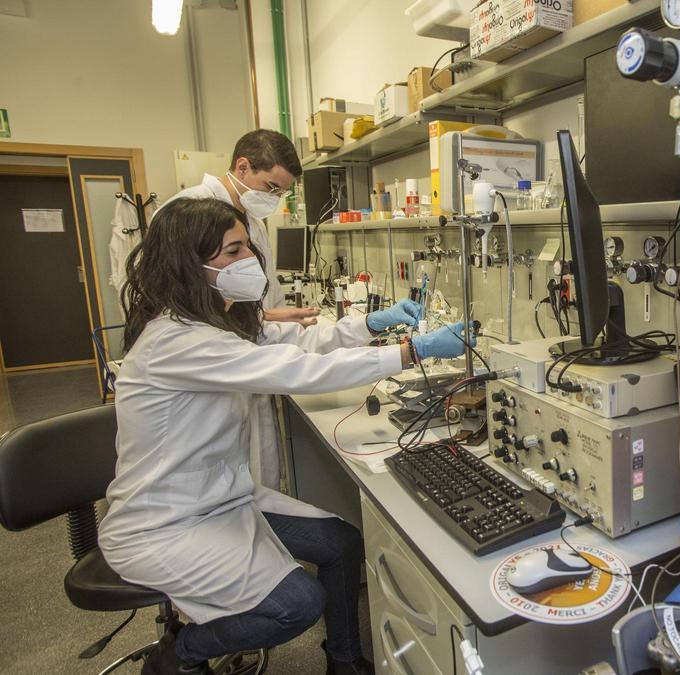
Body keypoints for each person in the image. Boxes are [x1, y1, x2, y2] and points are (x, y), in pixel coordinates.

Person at [99, 198, 473, 675]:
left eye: (246, 248)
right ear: (188, 265)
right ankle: (181, 653)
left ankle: (342, 660)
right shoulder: (176, 342)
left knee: (340, 542)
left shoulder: (210, 323)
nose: (248, 261)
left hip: (221, 499)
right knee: (297, 604)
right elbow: (297, 370)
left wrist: (371, 324)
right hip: (166, 523)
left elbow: (292, 343)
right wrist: (410, 350)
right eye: (233, 251)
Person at [160, 129, 314, 490]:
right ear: (242, 167)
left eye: (281, 193)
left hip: (246, 353)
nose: (274, 199)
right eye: (271, 187)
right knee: (224, 476)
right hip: (209, 371)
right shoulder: (187, 212)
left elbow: (256, 298)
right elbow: (178, 300)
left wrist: (266, 315)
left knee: (258, 476)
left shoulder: (253, 223)